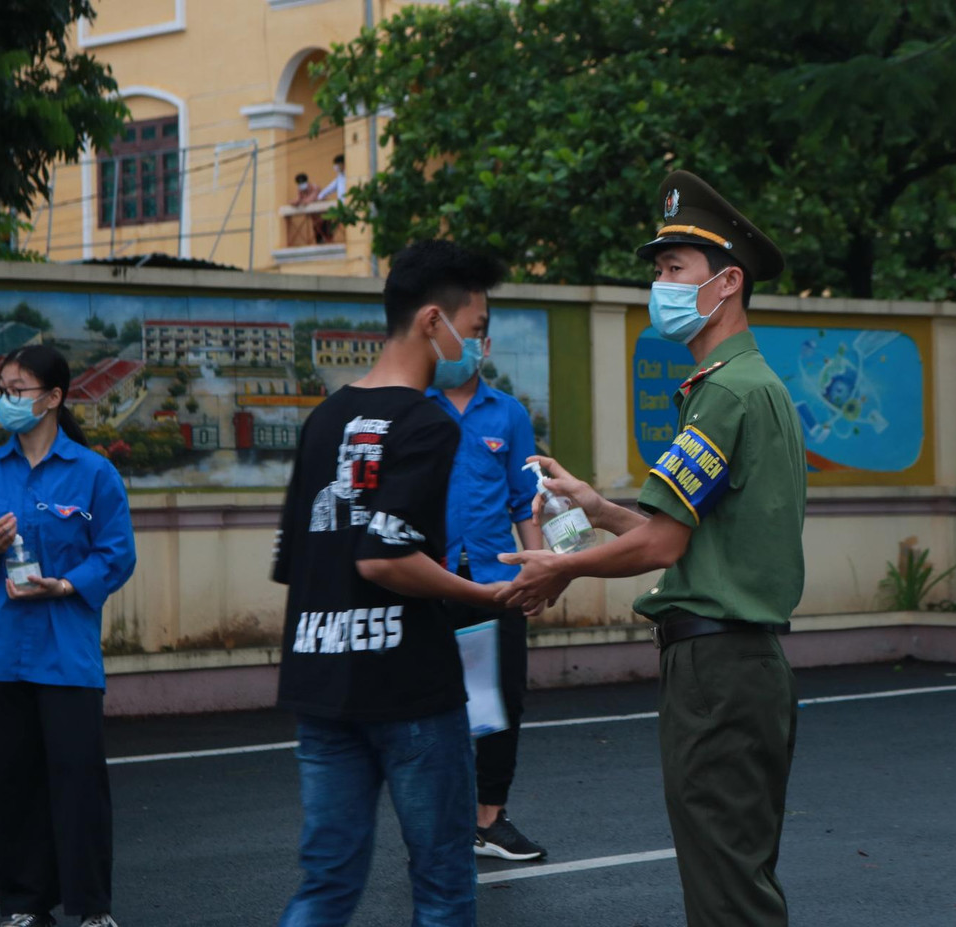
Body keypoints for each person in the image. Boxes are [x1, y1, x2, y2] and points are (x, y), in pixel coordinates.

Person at [499, 170, 806, 926]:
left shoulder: (725, 393)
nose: (659, 286)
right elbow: (687, 532)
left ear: (727, 283)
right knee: (735, 877)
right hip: (737, 665)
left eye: (675, 268)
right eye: (659, 270)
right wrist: (598, 509)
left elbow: (665, 543)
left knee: (727, 893)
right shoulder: (744, 385)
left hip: (718, 667)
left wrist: (561, 566)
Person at [271, 239, 509, 927]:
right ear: (434, 321)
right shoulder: (427, 423)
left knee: (325, 885)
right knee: (442, 885)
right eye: (474, 328)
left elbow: (297, 562)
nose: (476, 346)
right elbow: (383, 556)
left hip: (321, 682)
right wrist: (485, 594)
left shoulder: (323, 419)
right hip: (411, 689)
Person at [0, 344, 137, 927]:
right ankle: (24, 905)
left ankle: (91, 908)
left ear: (54, 397)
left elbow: (117, 554)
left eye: (18, 390)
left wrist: (66, 585)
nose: (6, 400)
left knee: (78, 781)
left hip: (65, 652)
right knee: (12, 785)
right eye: (2, 390)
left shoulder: (94, 473)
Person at [426, 318, 547, 862]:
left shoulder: (509, 413)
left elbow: (525, 500)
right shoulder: (416, 408)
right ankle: (437, 823)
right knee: (432, 704)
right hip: (427, 582)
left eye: (471, 334)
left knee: (500, 701)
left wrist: (537, 570)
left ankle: (489, 820)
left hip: (497, 583)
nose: (457, 347)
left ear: (486, 346)